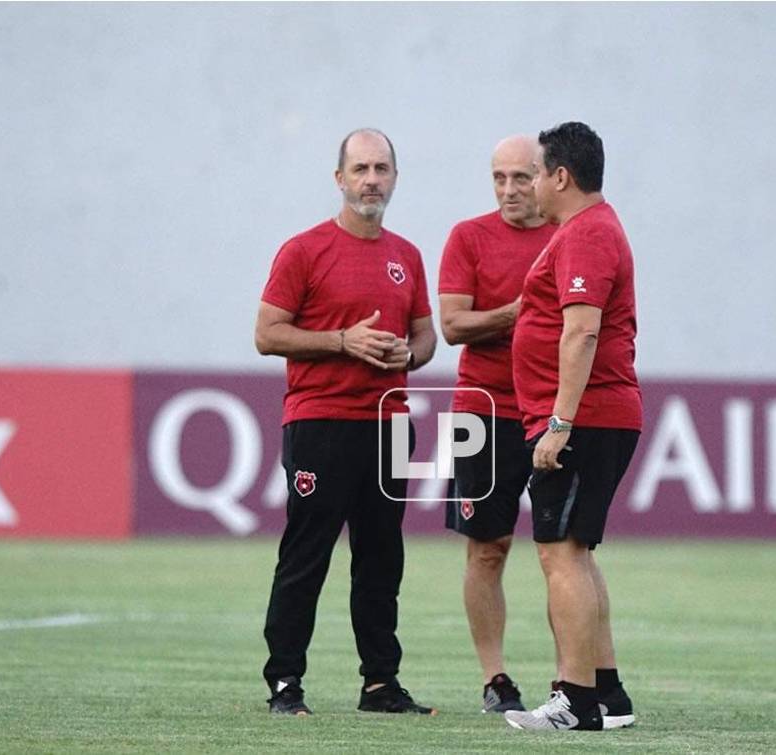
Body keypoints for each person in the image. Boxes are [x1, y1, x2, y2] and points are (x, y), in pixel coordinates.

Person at [255, 128, 438, 716]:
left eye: (381, 169)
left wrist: (408, 354)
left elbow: (426, 337)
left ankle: (380, 684)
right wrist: (341, 341)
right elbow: (267, 334)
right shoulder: (303, 250)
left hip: (389, 425)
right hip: (321, 423)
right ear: (339, 179)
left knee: (382, 558)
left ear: (395, 178)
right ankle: (285, 682)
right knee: (307, 554)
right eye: (360, 169)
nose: (371, 180)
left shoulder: (407, 255)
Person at [503, 122, 642, 732]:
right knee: (575, 554)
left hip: (582, 419)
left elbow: (582, 331)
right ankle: (607, 694)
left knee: (559, 555)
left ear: (561, 176)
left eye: (535, 172)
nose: (530, 184)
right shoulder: (588, 230)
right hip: (593, 415)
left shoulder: (587, 233)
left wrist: (559, 422)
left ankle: (575, 701)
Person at [438, 135, 558, 714]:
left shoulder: (568, 236)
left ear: (547, 177)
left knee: (565, 551)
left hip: (553, 413)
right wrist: (518, 312)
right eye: (498, 178)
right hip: (481, 412)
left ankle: (572, 679)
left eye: (520, 177)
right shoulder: (468, 237)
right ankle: (496, 678)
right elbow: (452, 326)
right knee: (488, 548)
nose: (509, 190)